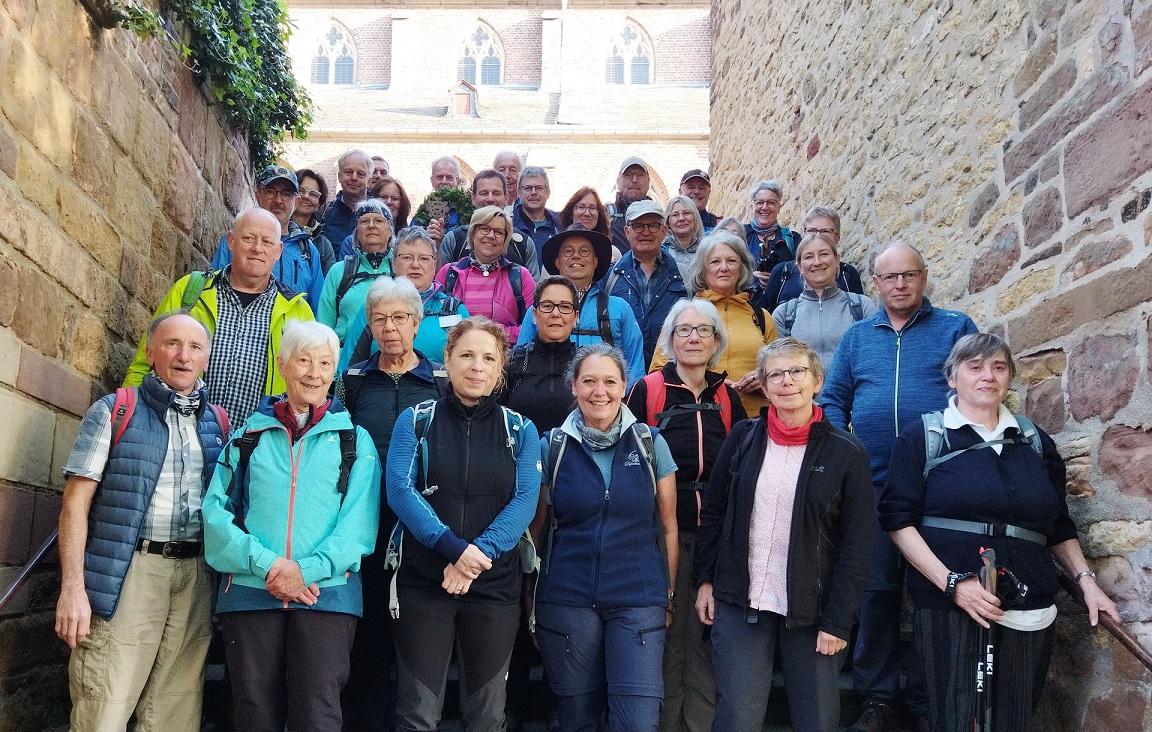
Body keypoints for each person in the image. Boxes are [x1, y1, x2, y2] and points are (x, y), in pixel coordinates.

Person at [880, 333, 1119, 731]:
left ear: (1009, 378)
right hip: (951, 605)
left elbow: (1057, 524)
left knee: (1014, 717)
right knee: (956, 719)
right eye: (974, 367)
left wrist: (1086, 581)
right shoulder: (923, 437)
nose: (987, 376)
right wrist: (952, 583)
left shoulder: (1035, 442)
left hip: (1030, 602)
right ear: (952, 378)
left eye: (998, 367)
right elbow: (897, 520)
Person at [820, 242, 979, 732]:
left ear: (924, 277)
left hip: (939, 485)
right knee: (877, 592)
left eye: (909, 275)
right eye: (889, 277)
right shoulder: (856, 337)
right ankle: (878, 698)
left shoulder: (955, 328)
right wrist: (846, 446)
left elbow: (974, 390)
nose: (900, 284)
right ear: (875, 283)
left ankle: (934, 694)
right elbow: (831, 399)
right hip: (871, 486)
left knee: (937, 592)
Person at [202, 320, 381, 732]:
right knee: (252, 711)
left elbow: (359, 525)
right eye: (303, 360)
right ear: (282, 365)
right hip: (249, 592)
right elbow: (215, 512)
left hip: (327, 596)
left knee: (317, 713)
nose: (313, 373)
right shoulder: (248, 435)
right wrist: (269, 566)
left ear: (335, 372)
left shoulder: (355, 439)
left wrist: (305, 571)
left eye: (324, 363)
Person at [56, 313, 228, 732]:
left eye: (195, 347)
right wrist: (72, 588)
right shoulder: (116, 409)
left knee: (175, 714)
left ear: (207, 358)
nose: (183, 356)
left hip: (195, 577)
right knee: (104, 706)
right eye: (172, 344)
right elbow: (75, 503)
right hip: (131, 571)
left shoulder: (219, 423)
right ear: (151, 353)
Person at [694, 337, 874, 732]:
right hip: (741, 598)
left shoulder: (846, 452)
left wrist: (839, 621)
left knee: (816, 719)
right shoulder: (742, 437)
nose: (786, 380)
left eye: (796, 371)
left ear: (817, 381)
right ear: (763, 383)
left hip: (814, 609)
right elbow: (714, 513)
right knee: (737, 718)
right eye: (775, 373)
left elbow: (858, 544)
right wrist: (705, 579)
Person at [386, 317, 541, 732]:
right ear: (448, 361)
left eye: (488, 358)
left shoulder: (521, 430)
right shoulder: (416, 420)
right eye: (467, 355)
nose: (477, 366)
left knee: (487, 716)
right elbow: (401, 491)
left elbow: (525, 500)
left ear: (500, 368)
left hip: (493, 587)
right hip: (424, 583)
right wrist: (454, 550)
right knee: (417, 712)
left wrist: (478, 555)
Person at [531, 343, 679, 732]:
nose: (600, 392)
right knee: (576, 718)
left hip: (638, 596)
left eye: (610, 381)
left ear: (624, 386)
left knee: (637, 721)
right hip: (567, 596)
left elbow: (669, 527)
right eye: (589, 382)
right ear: (574, 387)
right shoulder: (553, 447)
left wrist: (668, 594)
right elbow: (537, 528)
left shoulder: (650, 443)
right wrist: (528, 598)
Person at [625, 300, 747, 732]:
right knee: (667, 632)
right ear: (670, 340)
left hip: (714, 532)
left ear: (717, 341)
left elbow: (740, 465)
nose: (693, 337)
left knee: (703, 634)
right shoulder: (648, 389)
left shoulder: (728, 396)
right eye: (684, 330)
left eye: (703, 330)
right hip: (660, 532)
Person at [338, 277, 452, 732]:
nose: (390, 328)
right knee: (367, 631)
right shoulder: (353, 379)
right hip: (368, 520)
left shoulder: (442, 379)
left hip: (423, 525)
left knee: (416, 630)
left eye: (400, 318)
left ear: (417, 322)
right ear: (369, 324)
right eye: (380, 319)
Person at [124, 208, 314, 424]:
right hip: (178, 434)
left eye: (267, 242)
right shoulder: (190, 291)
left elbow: (310, 386)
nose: (257, 249)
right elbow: (145, 361)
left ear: (279, 251)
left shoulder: (298, 311)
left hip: (256, 446)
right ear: (231, 241)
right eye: (248, 238)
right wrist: (128, 418)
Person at [650, 231, 777, 415]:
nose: (723, 268)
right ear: (703, 269)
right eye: (715, 261)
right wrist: (707, 381)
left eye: (731, 261)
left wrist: (764, 377)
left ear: (741, 268)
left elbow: (780, 368)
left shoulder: (762, 317)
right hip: (700, 418)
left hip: (755, 422)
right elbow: (657, 372)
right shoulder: (685, 314)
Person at [518, 224, 646, 383]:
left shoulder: (619, 308)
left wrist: (622, 399)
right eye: (568, 251)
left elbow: (635, 366)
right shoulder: (538, 310)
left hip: (603, 400)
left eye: (584, 251)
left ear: (595, 261)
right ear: (557, 262)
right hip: (546, 398)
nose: (576, 256)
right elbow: (521, 359)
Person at [341, 227, 469, 369]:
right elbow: (348, 365)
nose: (415, 265)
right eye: (407, 257)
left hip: (437, 389)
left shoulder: (455, 310)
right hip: (380, 387)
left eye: (424, 258)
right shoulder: (376, 305)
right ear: (394, 263)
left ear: (434, 266)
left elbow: (468, 364)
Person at [210, 164, 326, 309]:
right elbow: (212, 290)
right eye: (271, 192)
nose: (278, 200)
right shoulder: (239, 240)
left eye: (286, 194)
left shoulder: (307, 250)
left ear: (296, 201)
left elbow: (318, 308)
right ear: (258, 195)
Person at [772, 232, 877, 370]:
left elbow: (874, 358)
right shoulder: (783, 315)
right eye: (809, 257)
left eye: (824, 254)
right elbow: (779, 366)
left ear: (837, 259)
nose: (817, 262)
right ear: (799, 267)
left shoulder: (862, 306)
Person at [604, 200, 689, 366]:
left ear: (664, 231)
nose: (645, 232)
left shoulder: (684, 275)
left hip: (669, 375)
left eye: (653, 226)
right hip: (622, 375)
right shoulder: (610, 276)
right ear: (627, 232)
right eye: (638, 226)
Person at [435, 206, 537, 342]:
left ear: (505, 240)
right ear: (472, 233)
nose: (491, 235)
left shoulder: (521, 276)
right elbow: (434, 321)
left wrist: (495, 333)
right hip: (456, 356)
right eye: (484, 229)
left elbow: (534, 324)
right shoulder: (449, 273)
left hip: (505, 357)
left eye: (499, 232)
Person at [503, 275, 580, 432]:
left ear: (575, 317)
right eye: (547, 306)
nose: (555, 313)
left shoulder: (586, 365)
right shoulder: (513, 362)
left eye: (565, 307)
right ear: (534, 314)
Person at [317, 199, 395, 352]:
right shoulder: (339, 271)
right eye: (364, 221)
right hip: (345, 359)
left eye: (379, 221)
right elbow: (324, 327)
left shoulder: (401, 268)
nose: (371, 225)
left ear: (390, 230)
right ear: (357, 231)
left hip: (391, 358)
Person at [758, 205, 865, 313]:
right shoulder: (782, 272)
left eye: (825, 231)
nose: (818, 236)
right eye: (812, 230)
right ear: (804, 234)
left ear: (837, 237)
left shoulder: (848, 274)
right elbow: (766, 318)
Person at [438, 168, 541, 276]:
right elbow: (439, 284)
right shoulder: (454, 240)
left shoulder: (523, 245)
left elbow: (534, 291)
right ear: (473, 197)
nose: (490, 198)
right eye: (484, 193)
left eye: (496, 193)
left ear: (506, 198)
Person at [743, 180, 801, 288]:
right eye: (760, 202)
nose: (764, 207)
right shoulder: (740, 235)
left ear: (779, 208)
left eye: (771, 203)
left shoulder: (793, 239)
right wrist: (750, 277)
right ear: (753, 206)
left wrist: (779, 278)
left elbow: (803, 273)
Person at [321, 149, 374, 248]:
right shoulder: (323, 213)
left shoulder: (379, 215)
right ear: (339, 176)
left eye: (360, 174)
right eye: (348, 172)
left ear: (369, 181)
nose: (354, 178)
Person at [511, 166, 562, 260]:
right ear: (519, 193)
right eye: (528, 188)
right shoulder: (509, 224)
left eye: (539, 188)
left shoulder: (560, 224)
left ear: (548, 192)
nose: (533, 193)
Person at [293, 167, 337, 273]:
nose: (306, 196)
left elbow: (329, 284)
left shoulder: (323, 245)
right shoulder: (275, 231)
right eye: (300, 190)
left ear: (319, 203)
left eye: (313, 194)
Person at [606, 156, 655, 253]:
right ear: (618, 181)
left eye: (640, 175)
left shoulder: (659, 217)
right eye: (628, 175)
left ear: (649, 181)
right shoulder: (606, 215)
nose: (635, 180)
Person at [663, 195, 705, 280]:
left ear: (695, 217)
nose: (681, 218)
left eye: (686, 213)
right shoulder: (661, 253)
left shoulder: (706, 250)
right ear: (668, 222)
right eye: (675, 215)